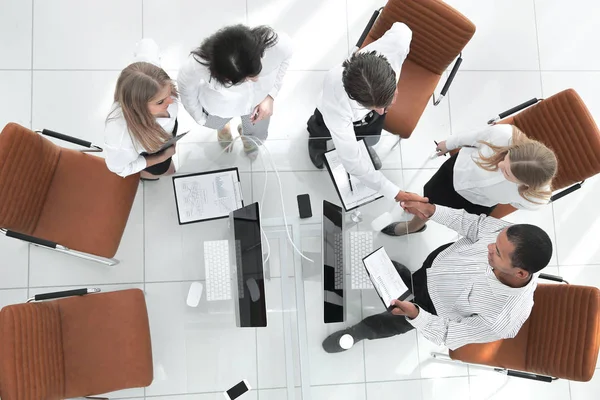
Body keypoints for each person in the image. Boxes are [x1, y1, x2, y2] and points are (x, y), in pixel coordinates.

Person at [322, 201, 553, 352]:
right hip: (432, 270)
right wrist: (433, 211)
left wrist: (416, 315)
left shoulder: (503, 319)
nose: (489, 247)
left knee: (394, 320)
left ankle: (360, 332)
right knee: (390, 272)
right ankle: (402, 280)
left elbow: (447, 333)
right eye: (495, 240)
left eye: (498, 252)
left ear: (521, 273)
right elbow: (473, 225)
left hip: (431, 308)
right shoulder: (511, 236)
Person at [382, 124, 558, 236]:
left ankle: (415, 225)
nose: (500, 165)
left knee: (441, 214)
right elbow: (473, 137)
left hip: (477, 202)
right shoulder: (503, 135)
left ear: (526, 184)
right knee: (429, 197)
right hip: (455, 174)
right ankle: (414, 225)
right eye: (506, 158)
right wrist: (449, 143)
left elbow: (519, 204)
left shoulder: (535, 198)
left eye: (507, 173)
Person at [307, 22, 413, 203]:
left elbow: (402, 28)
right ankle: (316, 146)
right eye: (374, 107)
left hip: (369, 98)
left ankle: (364, 145)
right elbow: (352, 163)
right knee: (321, 129)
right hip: (330, 114)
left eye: (388, 102)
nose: (382, 112)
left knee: (372, 132)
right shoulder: (337, 103)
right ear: (354, 98)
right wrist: (393, 191)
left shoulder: (397, 44)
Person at [178, 24, 294, 160]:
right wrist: (200, 117)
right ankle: (224, 128)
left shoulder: (277, 45)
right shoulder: (198, 64)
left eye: (256, 72)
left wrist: (271, 95)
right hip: (219, 109)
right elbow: (185, 87)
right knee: (218, 123)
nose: (256, 80)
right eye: (246, 78)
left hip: (258, 104)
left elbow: (287, 56)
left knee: (257, 133)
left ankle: (249, 141)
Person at [104, 39, 179, 180]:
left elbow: (147, 44)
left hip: (165, 137)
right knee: (163, 171)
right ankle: (145, 175)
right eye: (161, 101)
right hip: (152, 154)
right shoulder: (120, 136)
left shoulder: (151, 76)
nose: (171, 101)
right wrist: (161, 158)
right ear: (138, 106)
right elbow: (120, 168)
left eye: (169, 93)